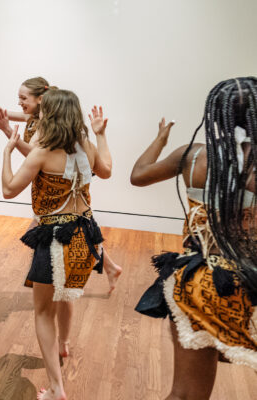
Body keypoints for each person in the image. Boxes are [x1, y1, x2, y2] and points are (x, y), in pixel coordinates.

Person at [131, 77, 257, 399]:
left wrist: (160, 138)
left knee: (184, 393)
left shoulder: (192, 155)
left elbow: (138, 175)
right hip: (232, 284)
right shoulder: (253, 167)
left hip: (192, 276)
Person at [1, 88, 112, 400]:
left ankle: (56, 388)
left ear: (47, 114)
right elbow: (107, 170)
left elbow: (9, 189)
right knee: (66, 297)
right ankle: (64, 344)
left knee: (42, 313)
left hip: (54, 238)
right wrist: (101, 134)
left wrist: (8, 152)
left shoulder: (43, 151)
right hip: (86, 237)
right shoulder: (86, 146)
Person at [0, 78, 123, 294]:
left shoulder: (45, 136)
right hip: (66, 199)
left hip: (55, 197)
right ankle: (103, 269)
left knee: (56, 234)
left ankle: (50, 279)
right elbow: (106, 170)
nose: (20, 102)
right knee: (81, 230)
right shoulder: (80, 141)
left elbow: (20, 175)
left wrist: (8, 143)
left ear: (42, 101)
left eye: (23, 98)